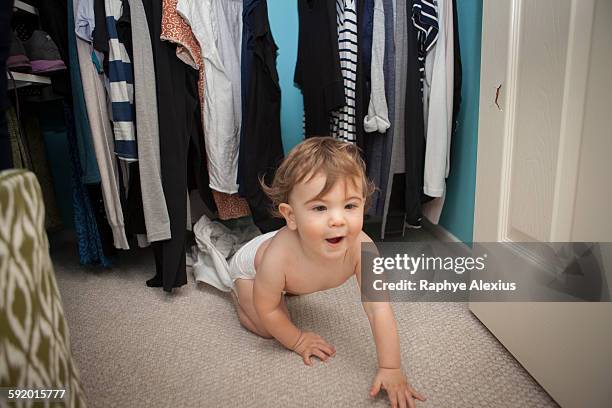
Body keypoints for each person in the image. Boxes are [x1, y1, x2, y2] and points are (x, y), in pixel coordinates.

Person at [229, 137, 426, 407]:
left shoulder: (362, 248)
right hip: (251, 269)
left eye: (350, 205)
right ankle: (238, 297)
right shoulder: (277, 257)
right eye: (320, 208)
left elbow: (379, 308)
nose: (338, 219)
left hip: (300, 252)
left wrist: (391, 368)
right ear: (291, 215)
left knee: (288, 292)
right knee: (267, 327)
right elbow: (269, 310)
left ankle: (288, 285)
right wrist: (298, 340)